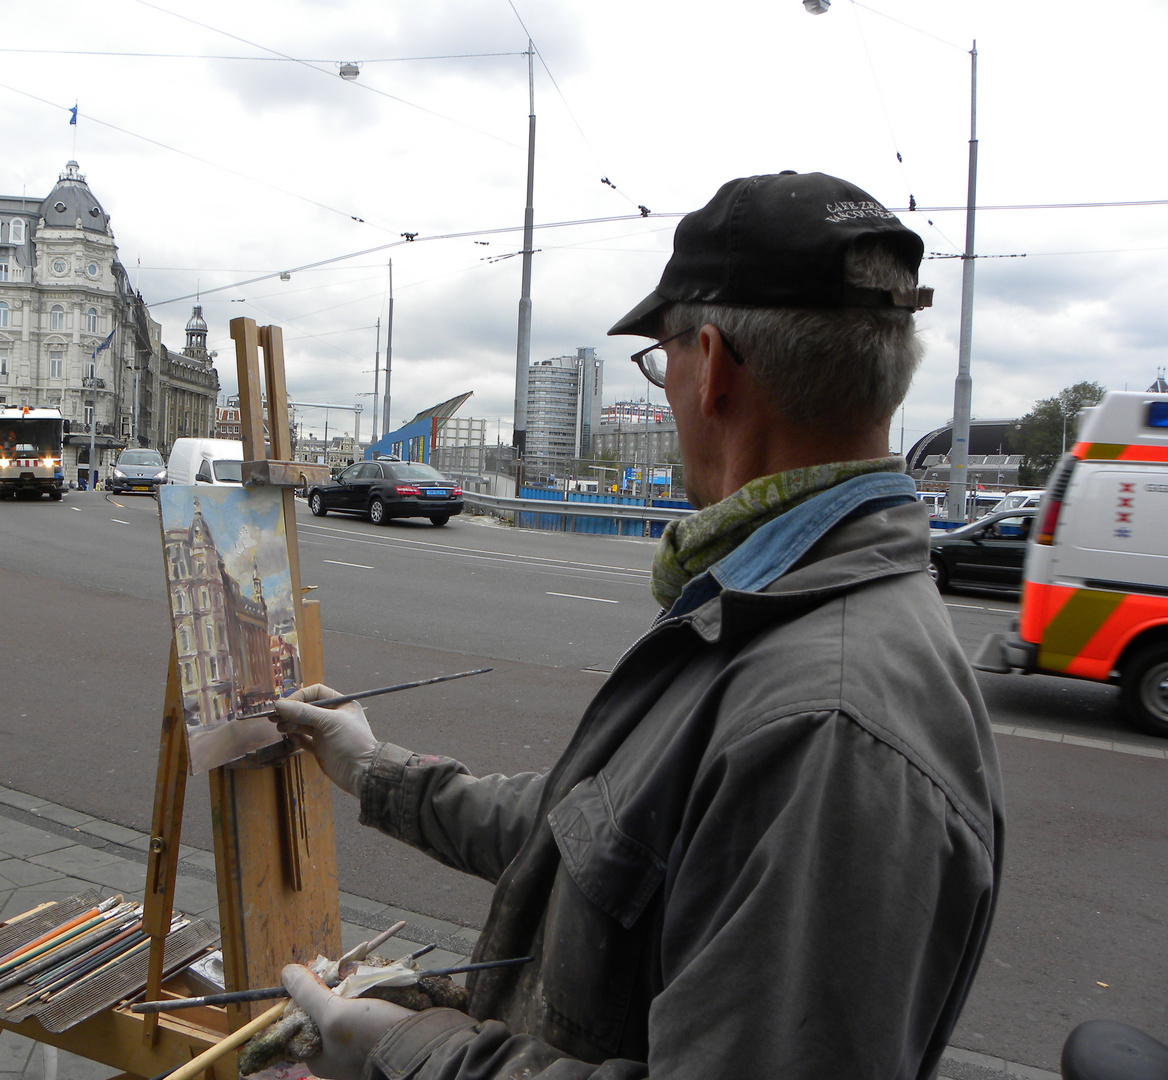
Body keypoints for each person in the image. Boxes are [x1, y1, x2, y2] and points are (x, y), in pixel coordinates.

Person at [273, 171, 1005, 1080]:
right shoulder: (772, 606)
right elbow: (589, 836)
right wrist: (371, 768)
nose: (664, 388)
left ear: (715, 366)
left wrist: (405, 1053)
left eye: (660, 360)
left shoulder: (824, 721)